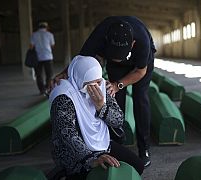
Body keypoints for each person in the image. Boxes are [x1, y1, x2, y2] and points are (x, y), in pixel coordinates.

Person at [52, 16, 156, 167]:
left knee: (140, 98)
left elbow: (140, 72)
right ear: (106, 41)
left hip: (140, 67)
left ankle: (144, 148)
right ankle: (117, 142)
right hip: (114, 65)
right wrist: (64, 73)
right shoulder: (99, 35)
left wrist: (118, 84)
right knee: (114, 98)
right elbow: (82, 61)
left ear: (132, 44)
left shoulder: (142, 41)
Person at [49, 55, 144, 179]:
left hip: (102, 143)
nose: (95, 88)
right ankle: (64, 172)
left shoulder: (103, 85)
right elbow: (67, 135)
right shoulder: (63, 96)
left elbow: (119, 120)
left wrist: (101, 107)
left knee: (137, 166)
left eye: (98, 82)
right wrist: (92, 159)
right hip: (73, 152)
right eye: (89, 85)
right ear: (77, 79)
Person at [30, 21, 55, 95]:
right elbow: (52, 45)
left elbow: (31, 46)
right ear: (46, 27)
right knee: (49, 74)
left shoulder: (34, 35)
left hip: (38, 57)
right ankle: (47, 88)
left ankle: (42, 90)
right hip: (48, 56)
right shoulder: (49, 34)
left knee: (39, 74)